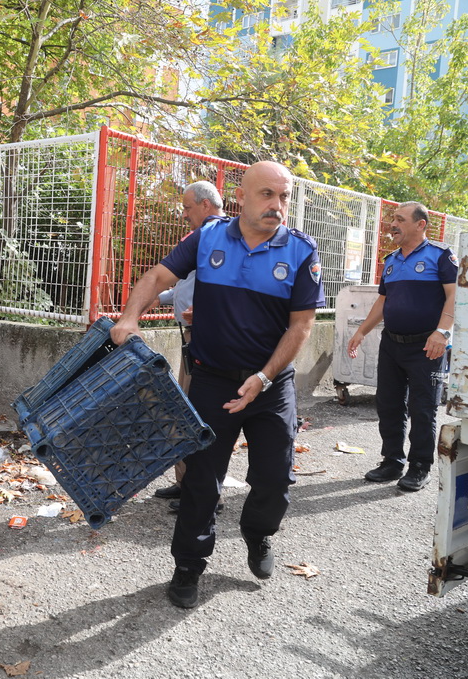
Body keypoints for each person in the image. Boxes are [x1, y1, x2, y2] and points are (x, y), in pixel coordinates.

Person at [110, 161, 324, 609]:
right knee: (202, 481)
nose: (277, 205)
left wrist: (263, 377)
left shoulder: (301, 251)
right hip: (212, 381)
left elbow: (301, 326)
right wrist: (129, 318)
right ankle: (189, 565)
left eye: (283, 197)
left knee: (274, 478)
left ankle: (258, 533)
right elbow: (158, 277)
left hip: (270, 385)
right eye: (266, 194)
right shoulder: (207, 238)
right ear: (240, 197)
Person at [347, 201, 456, 492]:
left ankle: (420, 466)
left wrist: (442, 333)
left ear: (420, 225)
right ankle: (392, 461)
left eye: (400, 220)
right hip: (392, 344)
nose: (392, 225)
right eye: (392, 219)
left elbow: (455, 296)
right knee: (389, 404)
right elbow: (383, 301)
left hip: (427, 346)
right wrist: (361, 331)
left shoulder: (440, 256)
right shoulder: (392, 260)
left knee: (423, 409)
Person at [151, 181, 226, 511]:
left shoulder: (221, 237)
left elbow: (227, 289)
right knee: (185, 409)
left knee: (200, 413)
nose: (184, 215)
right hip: (190, 335)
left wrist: (206, 311)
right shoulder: (200, 237)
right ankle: (186, 483)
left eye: (187, 208)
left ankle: (205, 494)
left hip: (207, 338)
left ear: (206, 205)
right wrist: (160, 297)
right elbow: (186, 283)